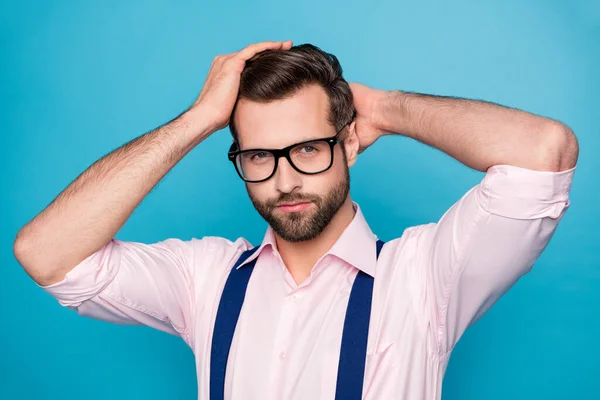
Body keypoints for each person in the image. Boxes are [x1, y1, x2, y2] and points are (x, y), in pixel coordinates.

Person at [13, 40, 579, 400]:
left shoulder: (422, 277)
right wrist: (197, 120)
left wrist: (382, 108)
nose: (285, 180)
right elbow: (46, 253)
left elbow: (544, 151)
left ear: (349, 142)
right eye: (259, 155)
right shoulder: (207, 280)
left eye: (308, 149)